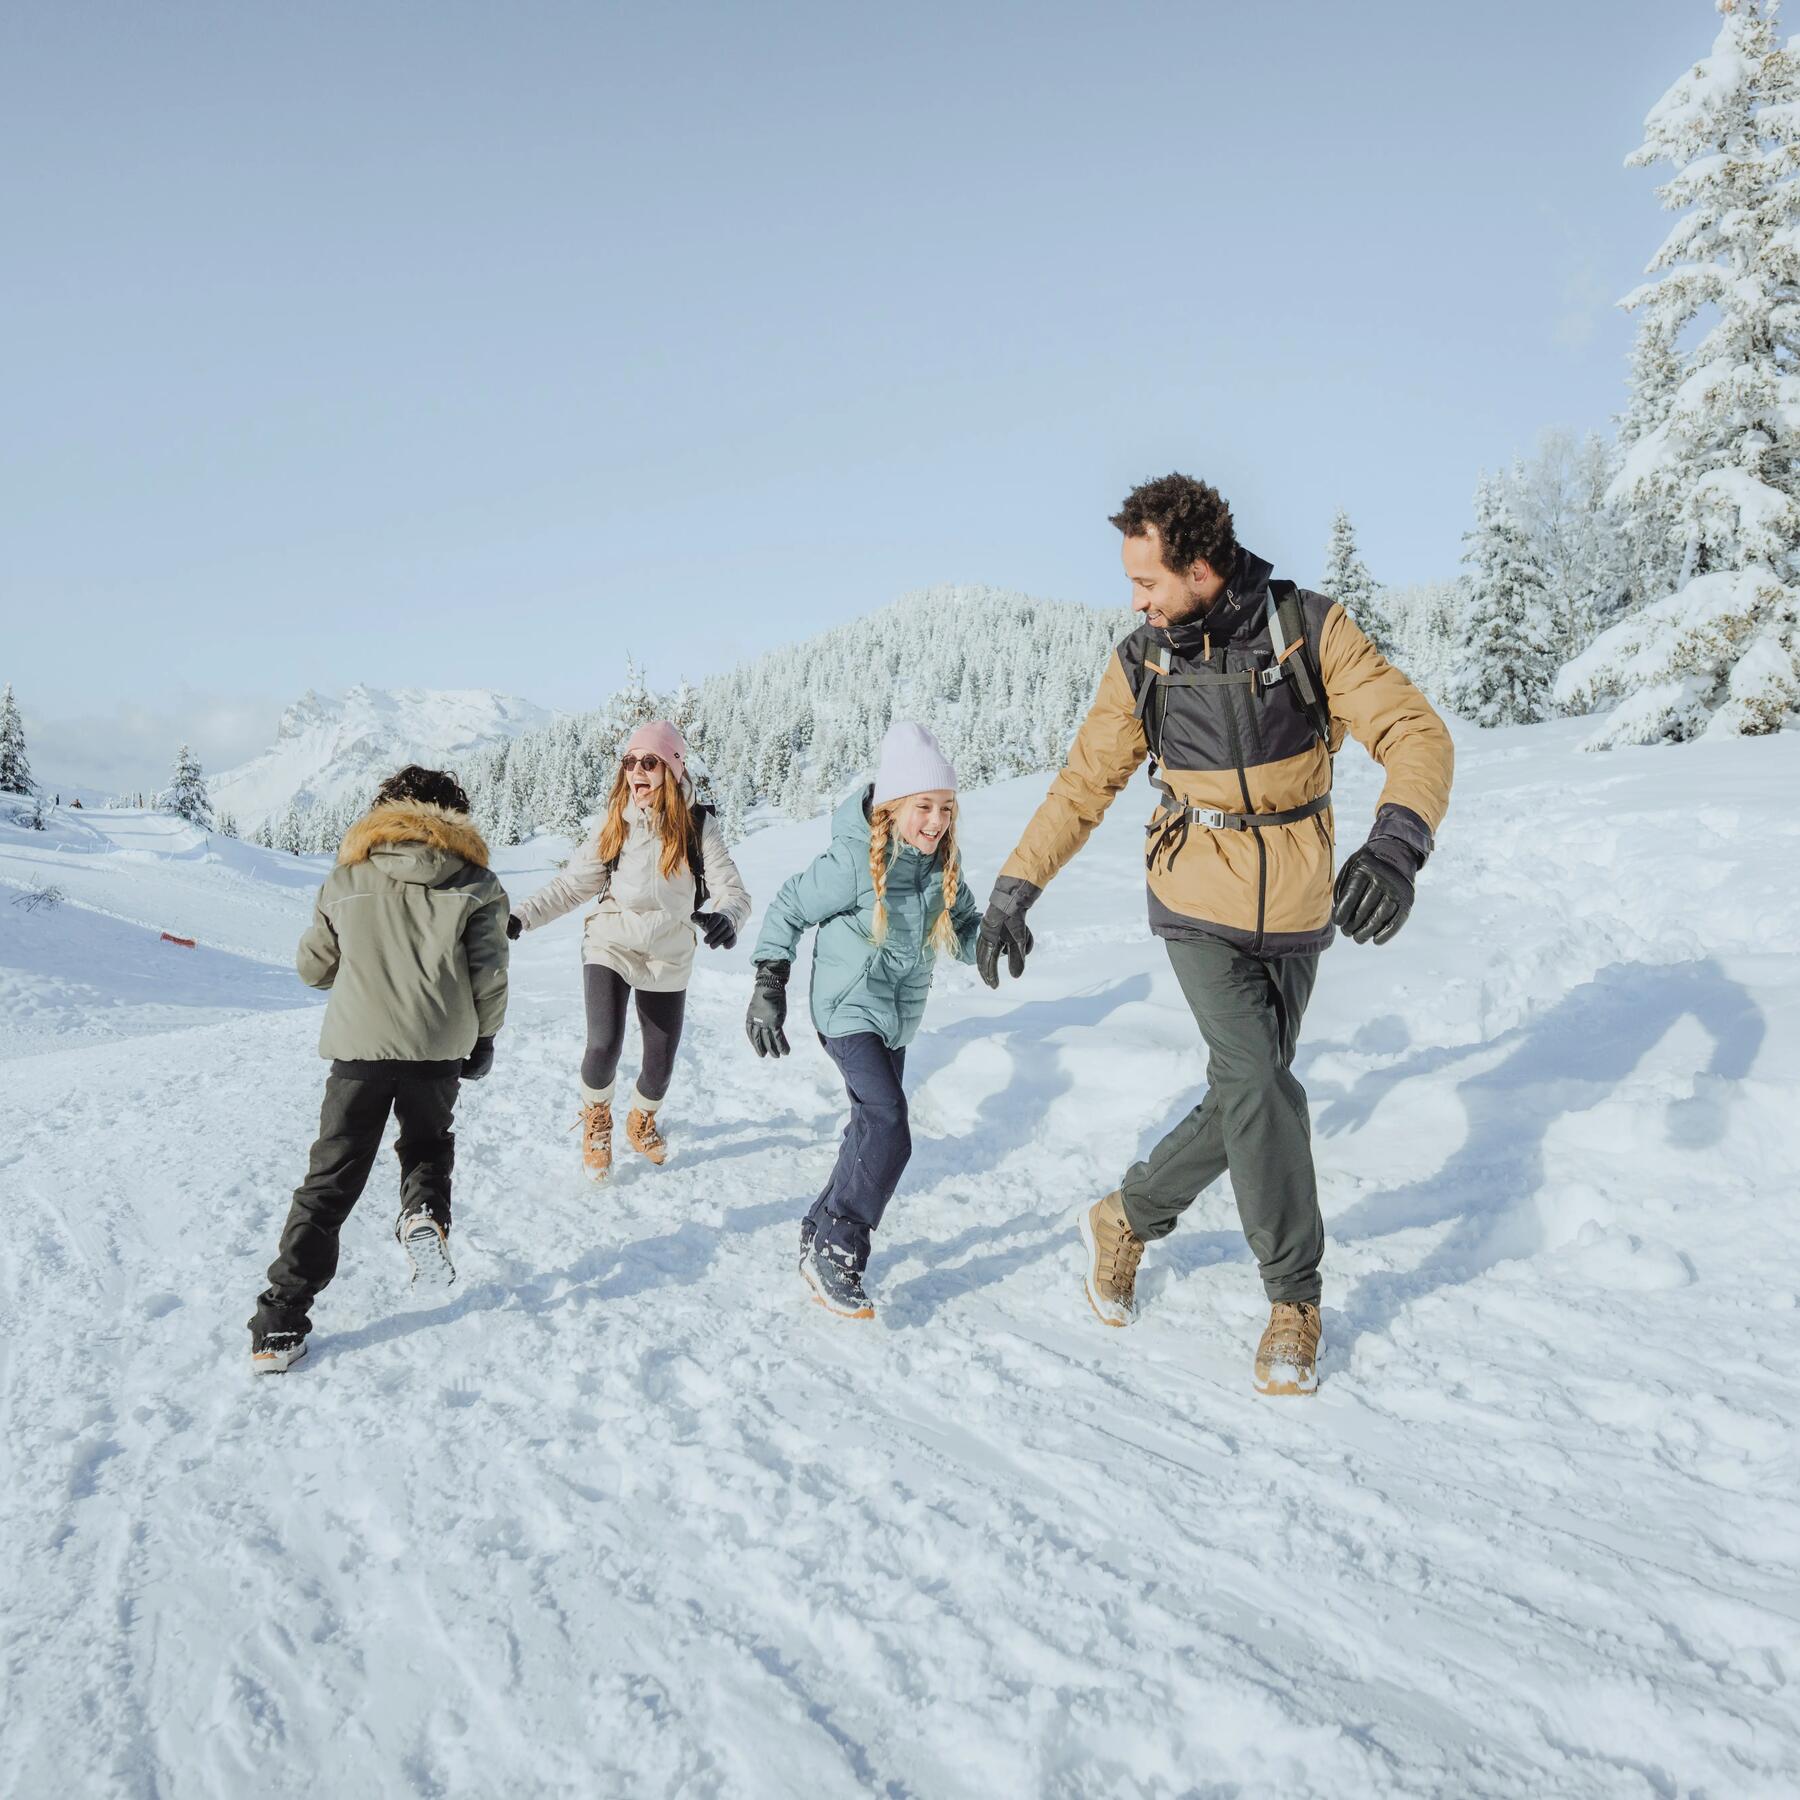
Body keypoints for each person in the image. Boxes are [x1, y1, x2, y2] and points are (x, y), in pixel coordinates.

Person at [977, 474, 1454, 1395]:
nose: (1136, 600)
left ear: (1201, 568)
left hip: (1300, 905)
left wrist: (1396, 845)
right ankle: (1295, 1296)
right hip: (1196, 897)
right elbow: (1083, 786)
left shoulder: (1305, 629)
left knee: (1249, 1093)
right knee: (1255, 1078)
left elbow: (1413, 731)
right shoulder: (1144, 662)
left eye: (1147, 581)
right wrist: (1015, 886)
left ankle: (1126, 1216)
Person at [248, 765, 510, 1373]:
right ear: (456, 818)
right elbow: (489, 977)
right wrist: (484, 1039)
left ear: (382, 814)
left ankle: (280, 1325)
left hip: (359, 1051)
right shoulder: (478, 883)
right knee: (425, 1143)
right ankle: (424, 1213)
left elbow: (314, 968)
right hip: (439, 1047)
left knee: (330, 1180)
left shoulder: (347, 879)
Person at [746, 721, 982, 1320]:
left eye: (946, 808)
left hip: (896, 1018)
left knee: (867, 1125)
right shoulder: (854, 861)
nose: (937, 821)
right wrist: (770, 982)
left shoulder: (939, 862)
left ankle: (817, 1227)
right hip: (847, 1010)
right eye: (924, 807)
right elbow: (789, 906)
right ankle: (838, 1246)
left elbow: (963, 929)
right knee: (888, 1124)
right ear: (893, 806)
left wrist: (993, 942)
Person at [508, 721, 749, 1178]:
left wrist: (727, 917)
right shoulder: (614, 823)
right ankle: (597, 1122)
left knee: (659, 1066)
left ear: (673, 771)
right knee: (604, 1043)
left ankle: (641, 1119)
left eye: (650, 761)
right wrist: (521, 917)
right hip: (612, 943)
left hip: (669, 953)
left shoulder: (699, 827)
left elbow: (732, 890)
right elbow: (570, 886)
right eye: (630, 761)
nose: (637, 769)